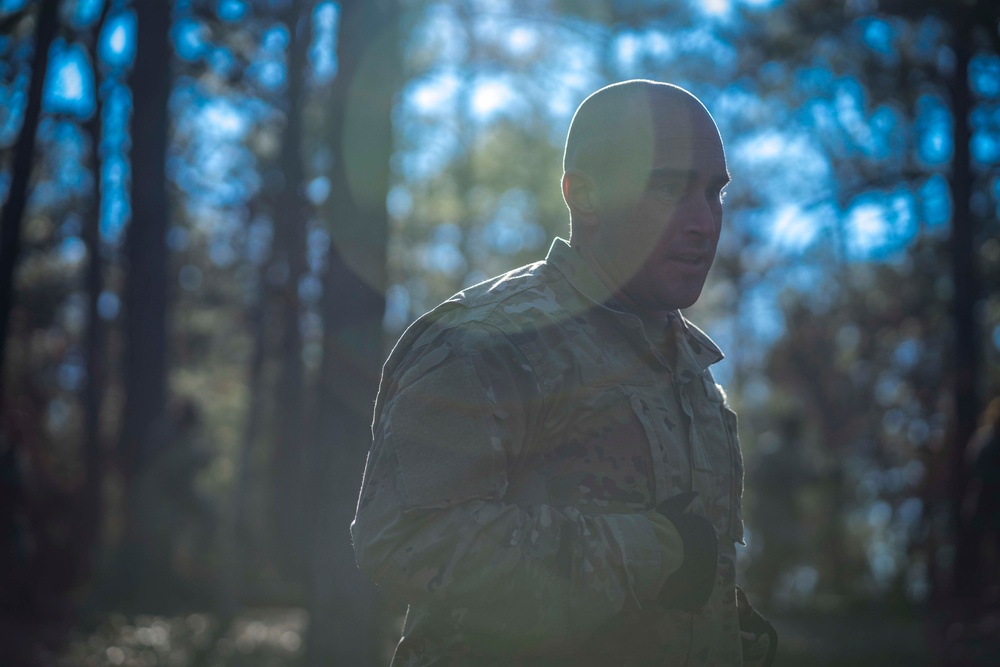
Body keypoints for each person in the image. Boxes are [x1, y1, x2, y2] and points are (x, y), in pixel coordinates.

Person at [352, 80, 774, 666]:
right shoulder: (489, 341)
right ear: (586, 195)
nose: (704, 221)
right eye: (670, 187)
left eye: (714, 193)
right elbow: (405, 538)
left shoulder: (690, 372)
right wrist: (651, 552)